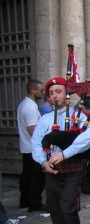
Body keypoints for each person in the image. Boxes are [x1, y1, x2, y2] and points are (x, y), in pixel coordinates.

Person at [32, 77, 90, 224]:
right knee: (54, 208)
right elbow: (36, 143)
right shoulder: (44, 120)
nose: (55, 96)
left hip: (71, 168)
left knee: (68, 206)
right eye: (51, 93)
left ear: (66, 94)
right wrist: (43, 162)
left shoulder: (78, 115)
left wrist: (66, 154)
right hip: (51, 169)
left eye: (58, 92)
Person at [17, 79, 47, 212]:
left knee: (27, 175)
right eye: (41, 91)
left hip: (26, 147)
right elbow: (32, 129)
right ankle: (34, 203)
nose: (43, 93)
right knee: (36, 177)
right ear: (33, 91)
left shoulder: (25, 104)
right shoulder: (30, 107)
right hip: (32, 147)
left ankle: (25, 200)